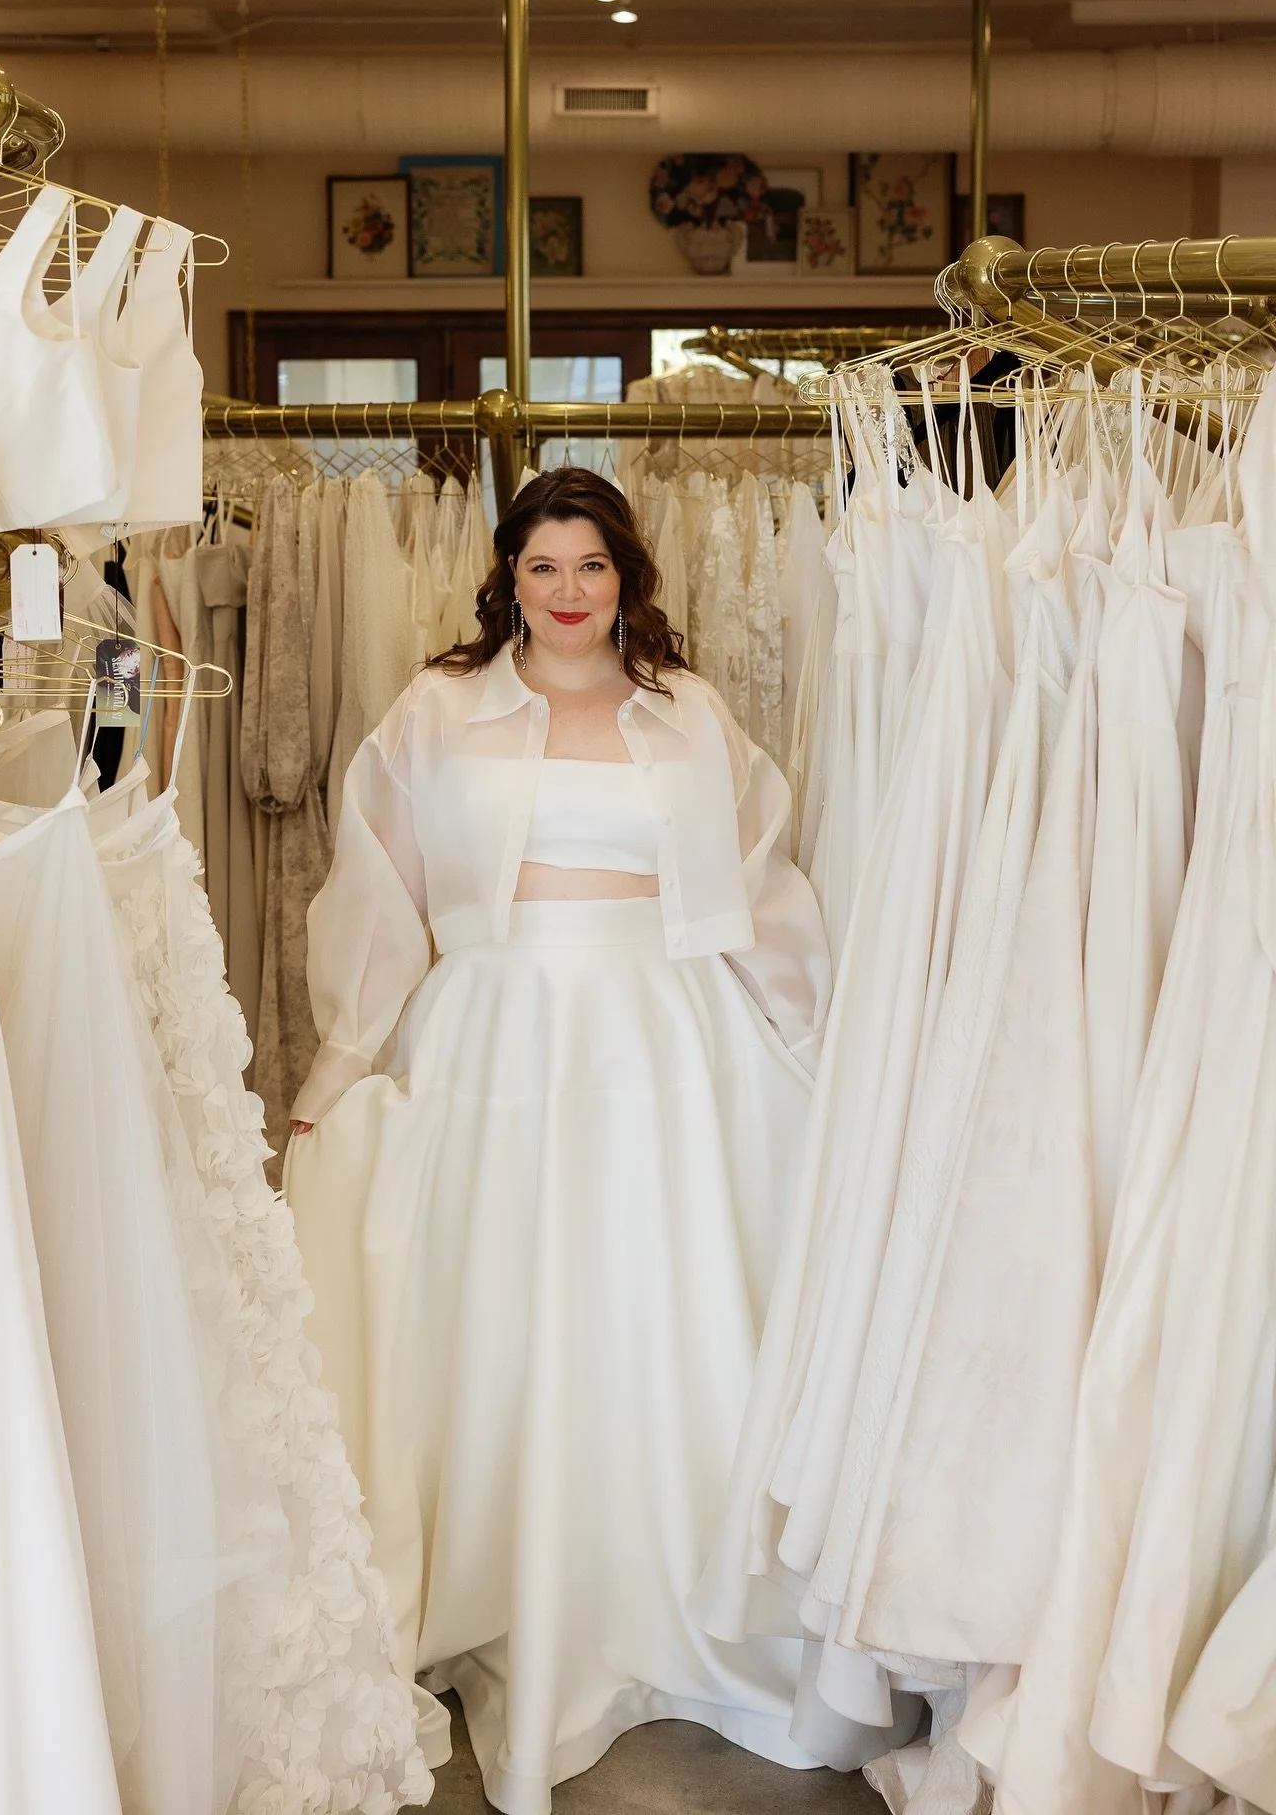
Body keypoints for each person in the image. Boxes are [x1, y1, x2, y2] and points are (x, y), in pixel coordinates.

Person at [284, 467, 832, 1815]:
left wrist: (815, 1044)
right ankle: (499, 1584)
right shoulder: (439, 709)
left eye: (592, 566)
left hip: (662, 1042)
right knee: (503, 1317)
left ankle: (669, 1595)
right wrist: (344, 1051)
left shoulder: (687, 713)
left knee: (654, 1308)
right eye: (544, 567)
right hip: (496, 1040)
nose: (570, 591)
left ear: (625, 576)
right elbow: (381, 885)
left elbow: (759, 882)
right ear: (507, 577)